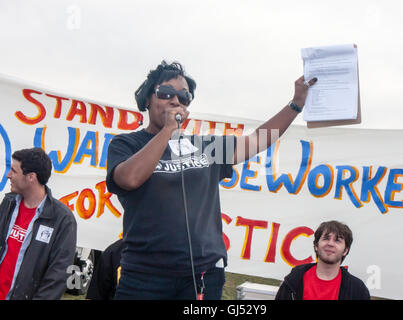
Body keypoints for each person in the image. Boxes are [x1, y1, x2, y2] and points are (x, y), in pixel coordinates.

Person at [106, 60, 317, 300]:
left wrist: (296, 104)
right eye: (166, 93)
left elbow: (259, 140)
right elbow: (129, 179)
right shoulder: (126, 144)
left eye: (183, 97)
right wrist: (167, 131)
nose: (175, 101)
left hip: (203, 276)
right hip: (144, 276)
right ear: (147, 99)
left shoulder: (204, 146)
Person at [0, 147, 77, 300]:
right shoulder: (9, 202)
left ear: (31, 177)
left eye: (14, 171)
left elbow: (58, 275)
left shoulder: (62, 219)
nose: (8, 175)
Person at [275, 220, 370, 300]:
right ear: (316, 246)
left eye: (337, 240)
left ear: (345, 250)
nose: (330, 244)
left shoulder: (358, 290)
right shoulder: (295, 279)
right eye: (326, 238)